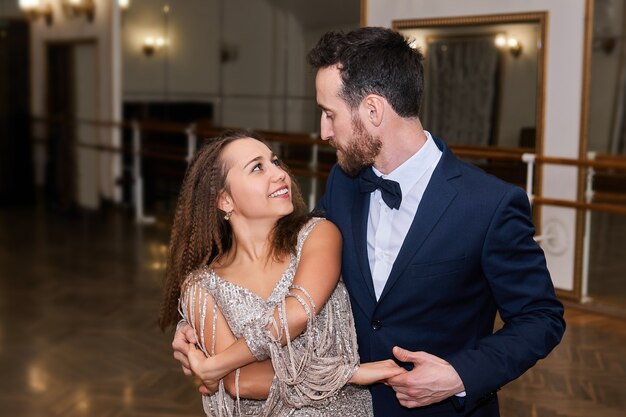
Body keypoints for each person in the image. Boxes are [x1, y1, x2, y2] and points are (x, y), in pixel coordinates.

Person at [174, 27, 566, 417]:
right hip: (343, 406)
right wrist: (202, 324)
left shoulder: (489, 204)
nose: (324, 131)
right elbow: (287, 263)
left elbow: (540, 318)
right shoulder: (343, 183)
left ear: (373, 110)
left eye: (330, 114)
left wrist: (458, 375)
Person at [159, 129, 405, 417]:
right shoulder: (200, 288)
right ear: (225, 200)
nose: (279, 173)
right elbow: (240, 382)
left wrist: (217, 363)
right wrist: (350, 375)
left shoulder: (318, 235)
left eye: (275, 162)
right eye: (257, 167)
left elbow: (298, 312)